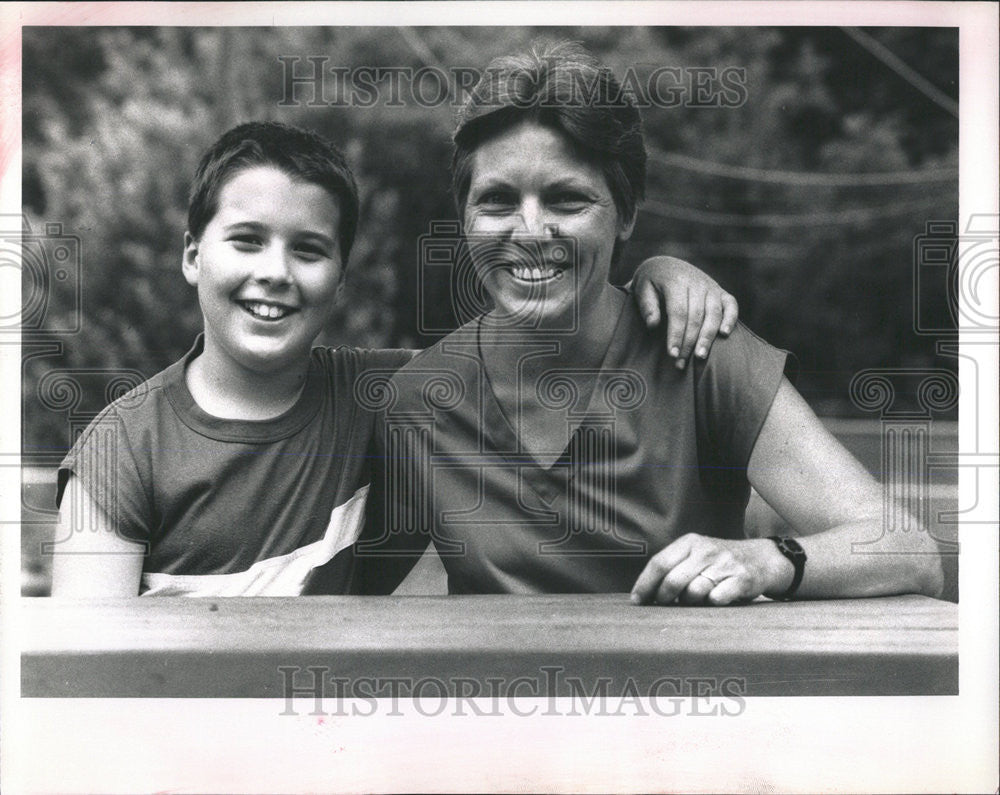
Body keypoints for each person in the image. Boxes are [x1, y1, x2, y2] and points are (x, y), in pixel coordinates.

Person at [358, 42, 945, 604]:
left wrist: (763, 561)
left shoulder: (699, 353)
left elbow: (908, 551)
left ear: (627, 214)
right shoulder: (419, 401)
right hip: (505, 703)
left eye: (567, 200)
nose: (531, 232)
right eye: (497, 201)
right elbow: (339, 590)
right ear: (463, 217)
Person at [50, 120, 736, 597]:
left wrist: (657, 272)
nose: (277, 272)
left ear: (340, 279)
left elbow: (527, 344)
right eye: (247, 240)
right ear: (193, 255)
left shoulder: (393, 392)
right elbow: (84, 679)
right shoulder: (120, 451)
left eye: (309, 249)